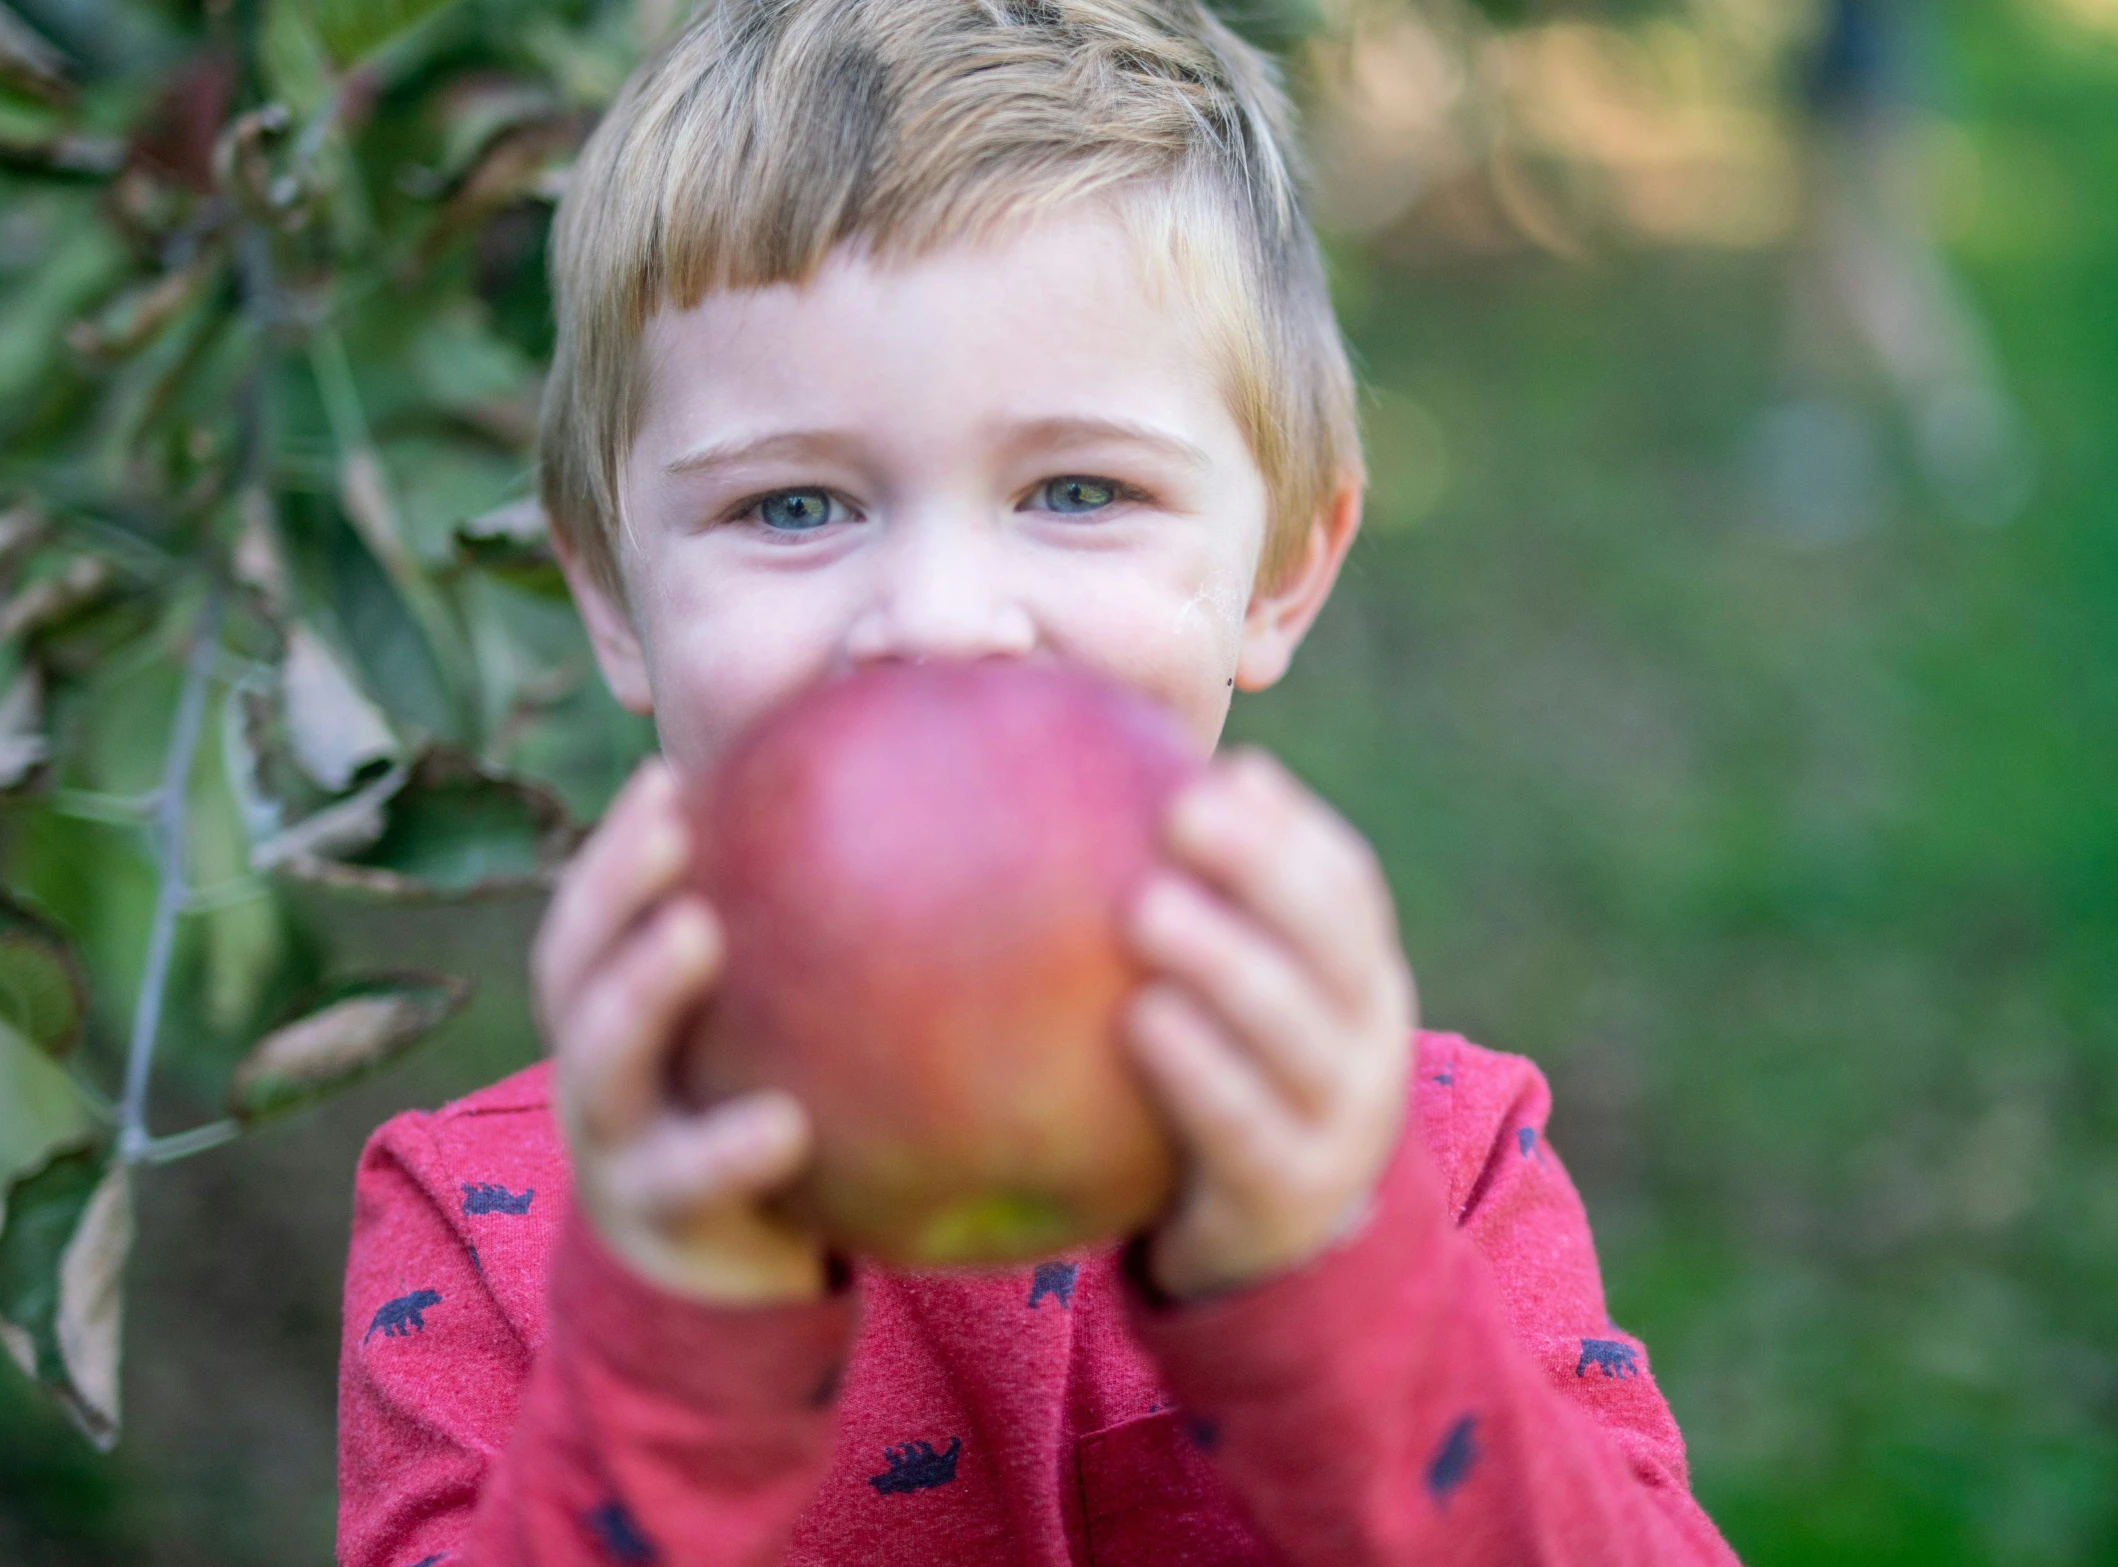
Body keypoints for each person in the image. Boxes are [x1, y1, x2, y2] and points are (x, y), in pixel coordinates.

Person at [337, 0, 1740, 1561]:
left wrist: (1321, 1274)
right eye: (792, 503)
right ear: (609, 593)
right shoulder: (490, 1223)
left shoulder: (1410, 1158)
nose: (941, 623)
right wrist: (674, 1350)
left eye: (1079, 490)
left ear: (1278, 567)